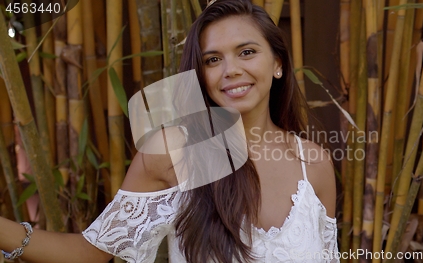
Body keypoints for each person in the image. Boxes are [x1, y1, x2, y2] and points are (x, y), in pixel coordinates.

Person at [0, 0, 338, 262]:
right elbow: (91, 252)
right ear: (200, 75)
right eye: (212, 60)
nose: (231, 70)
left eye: (246, 52)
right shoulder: (174, 151)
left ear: (277, 63)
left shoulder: (315, 164)